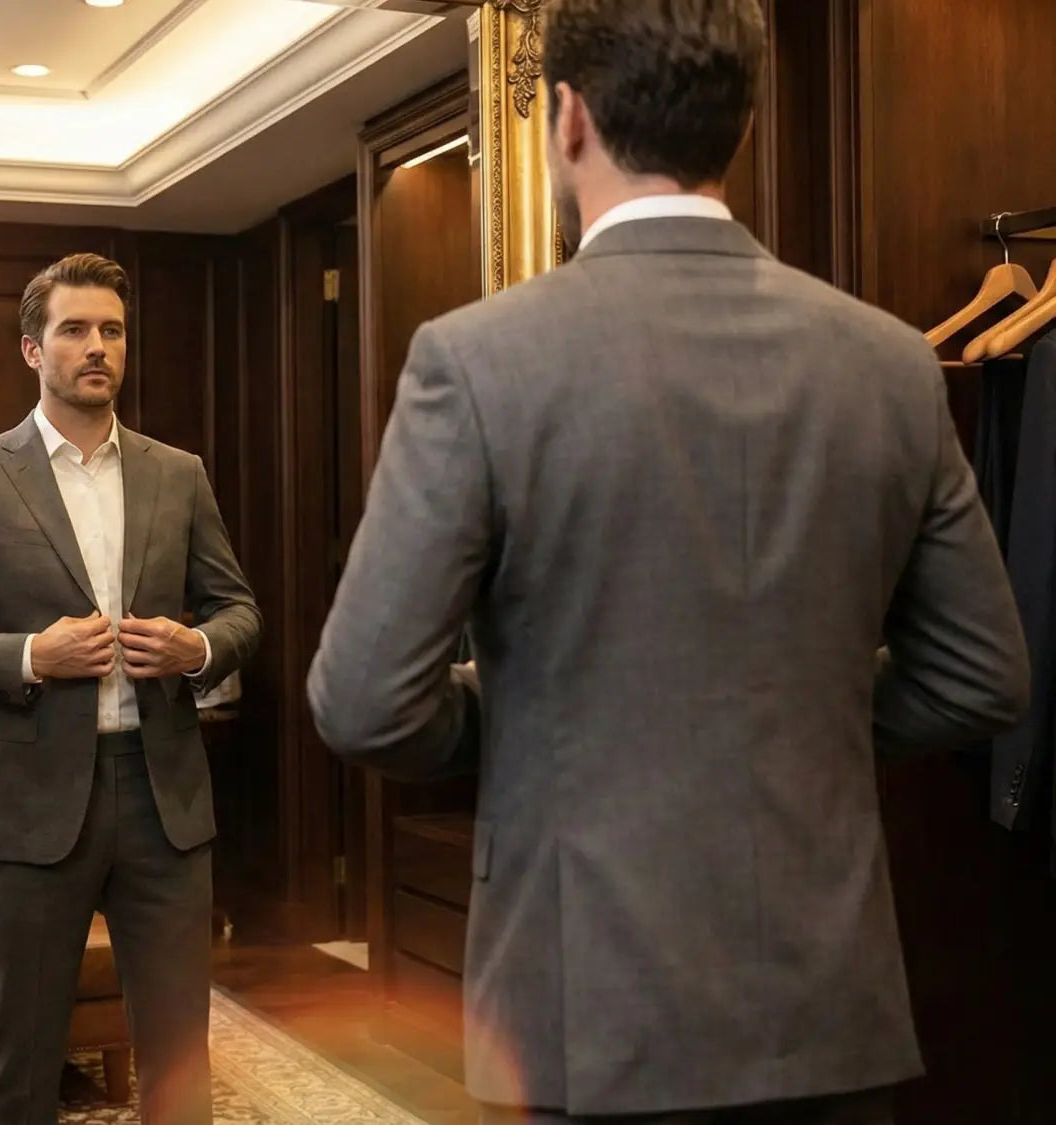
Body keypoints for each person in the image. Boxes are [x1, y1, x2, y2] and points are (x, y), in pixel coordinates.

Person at [305, 2, 1030, 1123]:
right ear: (740, 126)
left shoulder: (478, 360)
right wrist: (796, 709)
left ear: (567, 119)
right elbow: (982, 674)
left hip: (584, 1010)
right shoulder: (889, 362)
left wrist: (555, 715)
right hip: (826, 1013)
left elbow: (364, 702)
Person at [0, 252, 261, 1125]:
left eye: (112, 330)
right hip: (31, 802)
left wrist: (197, 646)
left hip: (165, 798)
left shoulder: (179, 473)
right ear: (33, 348)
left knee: (179, 1057)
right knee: (24, 1062)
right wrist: (31, 655)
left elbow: (239, 610)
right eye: (75, 330)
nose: (97, 346)